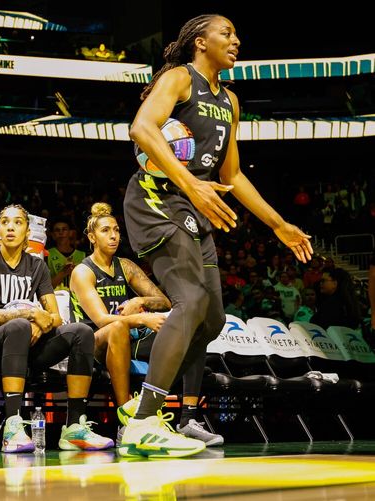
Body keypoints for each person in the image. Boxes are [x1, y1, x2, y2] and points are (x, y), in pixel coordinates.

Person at [121, 14, 312, 458]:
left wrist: (277, 224)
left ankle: (182, 417)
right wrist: (190, 185)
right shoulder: (177, 77)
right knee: (189, 302)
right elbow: (142, 129)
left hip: (194, 208)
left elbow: (233, 174)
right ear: (199, 41)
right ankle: (144, 419)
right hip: (157, 200)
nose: (237, 40)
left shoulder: (230, 101)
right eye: (227, 32)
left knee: (208, 319)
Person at [69, 203, 222, 446]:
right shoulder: (82, 271)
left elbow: (163, 300)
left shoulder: (126, 266)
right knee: (117, 328)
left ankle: (188, 419)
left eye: (117, 230)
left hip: (130, 338)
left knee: (194, 330)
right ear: (91, 237)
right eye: (105, 230)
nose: (113, 236)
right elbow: (100, 320)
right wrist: (141, 318)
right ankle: (125, 421)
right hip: (93, 342)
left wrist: (139, 300)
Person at [0, 205, 113, 453]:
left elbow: (54, 317)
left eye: (17, 223)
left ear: (27, 231)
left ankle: (75, 426)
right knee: (19, 326)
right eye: (4, 222)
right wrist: (30, 315)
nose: (10, 227)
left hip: (23, 347)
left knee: (82, 332)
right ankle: (12, 427)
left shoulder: (37, 266)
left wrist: (39, 323)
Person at [47, 220, 85, 291]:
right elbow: (45, 286)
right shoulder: (47, 254)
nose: (61, 232)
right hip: (56, 297)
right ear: (53, 235)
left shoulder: (83, 255)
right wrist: (63, 272)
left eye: (64, 229)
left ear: (70, 233)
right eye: (57, 230)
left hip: (78, 298)